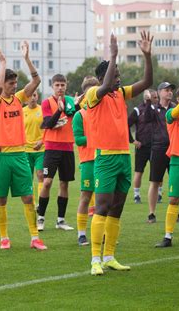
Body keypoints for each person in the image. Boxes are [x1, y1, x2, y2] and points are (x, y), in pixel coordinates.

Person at [86, 31, 153, 276]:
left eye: (119, 76)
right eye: (115, 75)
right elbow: (103, 86)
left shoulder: (120, 94)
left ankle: (110, 256)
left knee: (117, 209)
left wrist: (147, 56)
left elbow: (146, 83)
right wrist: (113, 56)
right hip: (105, 158)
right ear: (104, 77)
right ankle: (95, 259)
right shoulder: (94, 94)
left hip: (124, 157)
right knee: (101, 207)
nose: (119, 79)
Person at [0, 42, 46, 251]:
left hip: (20, 154)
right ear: (3, 83)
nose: (14, 86)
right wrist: (2, 63)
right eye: (11, 83)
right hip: (2, 156)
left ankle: (34, 237)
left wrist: (27, 58)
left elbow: (37, 80)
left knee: (28, 197)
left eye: (15, 83)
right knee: (1, 198)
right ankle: (4, 237)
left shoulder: (19, 98)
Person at [37, 73, 79, 231]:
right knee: (47, 182)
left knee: (64, 184)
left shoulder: (70, 101)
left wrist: (76, 105)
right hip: (51, 148)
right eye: (57, 85)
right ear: (52, 86)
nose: (60, 88)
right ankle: (40, 218)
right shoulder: (47, 103)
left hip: (68, 147)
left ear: (66, 85)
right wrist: (58, 111)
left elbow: (73, 115)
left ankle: (60, 220)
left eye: (62, 85)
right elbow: (47, 123)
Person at [73, 76, 99, 246]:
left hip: (105, 159)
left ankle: (102, 231)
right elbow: (79, 140)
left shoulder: (102, 111)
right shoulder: (79, 115)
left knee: (105, 199)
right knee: (85, 196)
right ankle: (81, 234)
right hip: (89, 161)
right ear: (85, 93)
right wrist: (96, 138)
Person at [145, 82, 176, 223]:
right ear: (159, 92)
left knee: (176, 182)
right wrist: (147, 102)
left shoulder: (175, 108)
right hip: (158, 148)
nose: (170, 92)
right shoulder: (153, 108)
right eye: (167, 90)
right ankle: (151, 213)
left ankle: (176, 212)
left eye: (171, 90)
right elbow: (145, 119)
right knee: (155, 182)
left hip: (174, 149)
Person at [155, 97, 179, 247]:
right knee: (174, 199)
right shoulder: (172, 113)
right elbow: (177, 111)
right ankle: (168, 237)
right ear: (178, 99)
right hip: (178, 162)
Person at [128, 89, 158, 204]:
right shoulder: (137, 110)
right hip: (142, 146)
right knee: (139, 171)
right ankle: (136, 195)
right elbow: (127, 125)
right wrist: (133, 141)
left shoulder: (157, 109)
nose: (156, 100)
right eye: (154, 97)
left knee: (156, 171)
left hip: (155, 145)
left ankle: (159, 194)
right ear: (147, 98)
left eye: (156, 98)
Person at [22, 89, 44, 208]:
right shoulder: (21, 112)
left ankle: (41, 203)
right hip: (26, 150)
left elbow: (48, 128)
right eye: (30, 95)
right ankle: (32, 202)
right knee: (27, 177)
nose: (32, 98)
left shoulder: (42, 110)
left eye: (34, 95)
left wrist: (42, 141)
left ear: (38, 96)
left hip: (41, 149)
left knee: (40, 174)